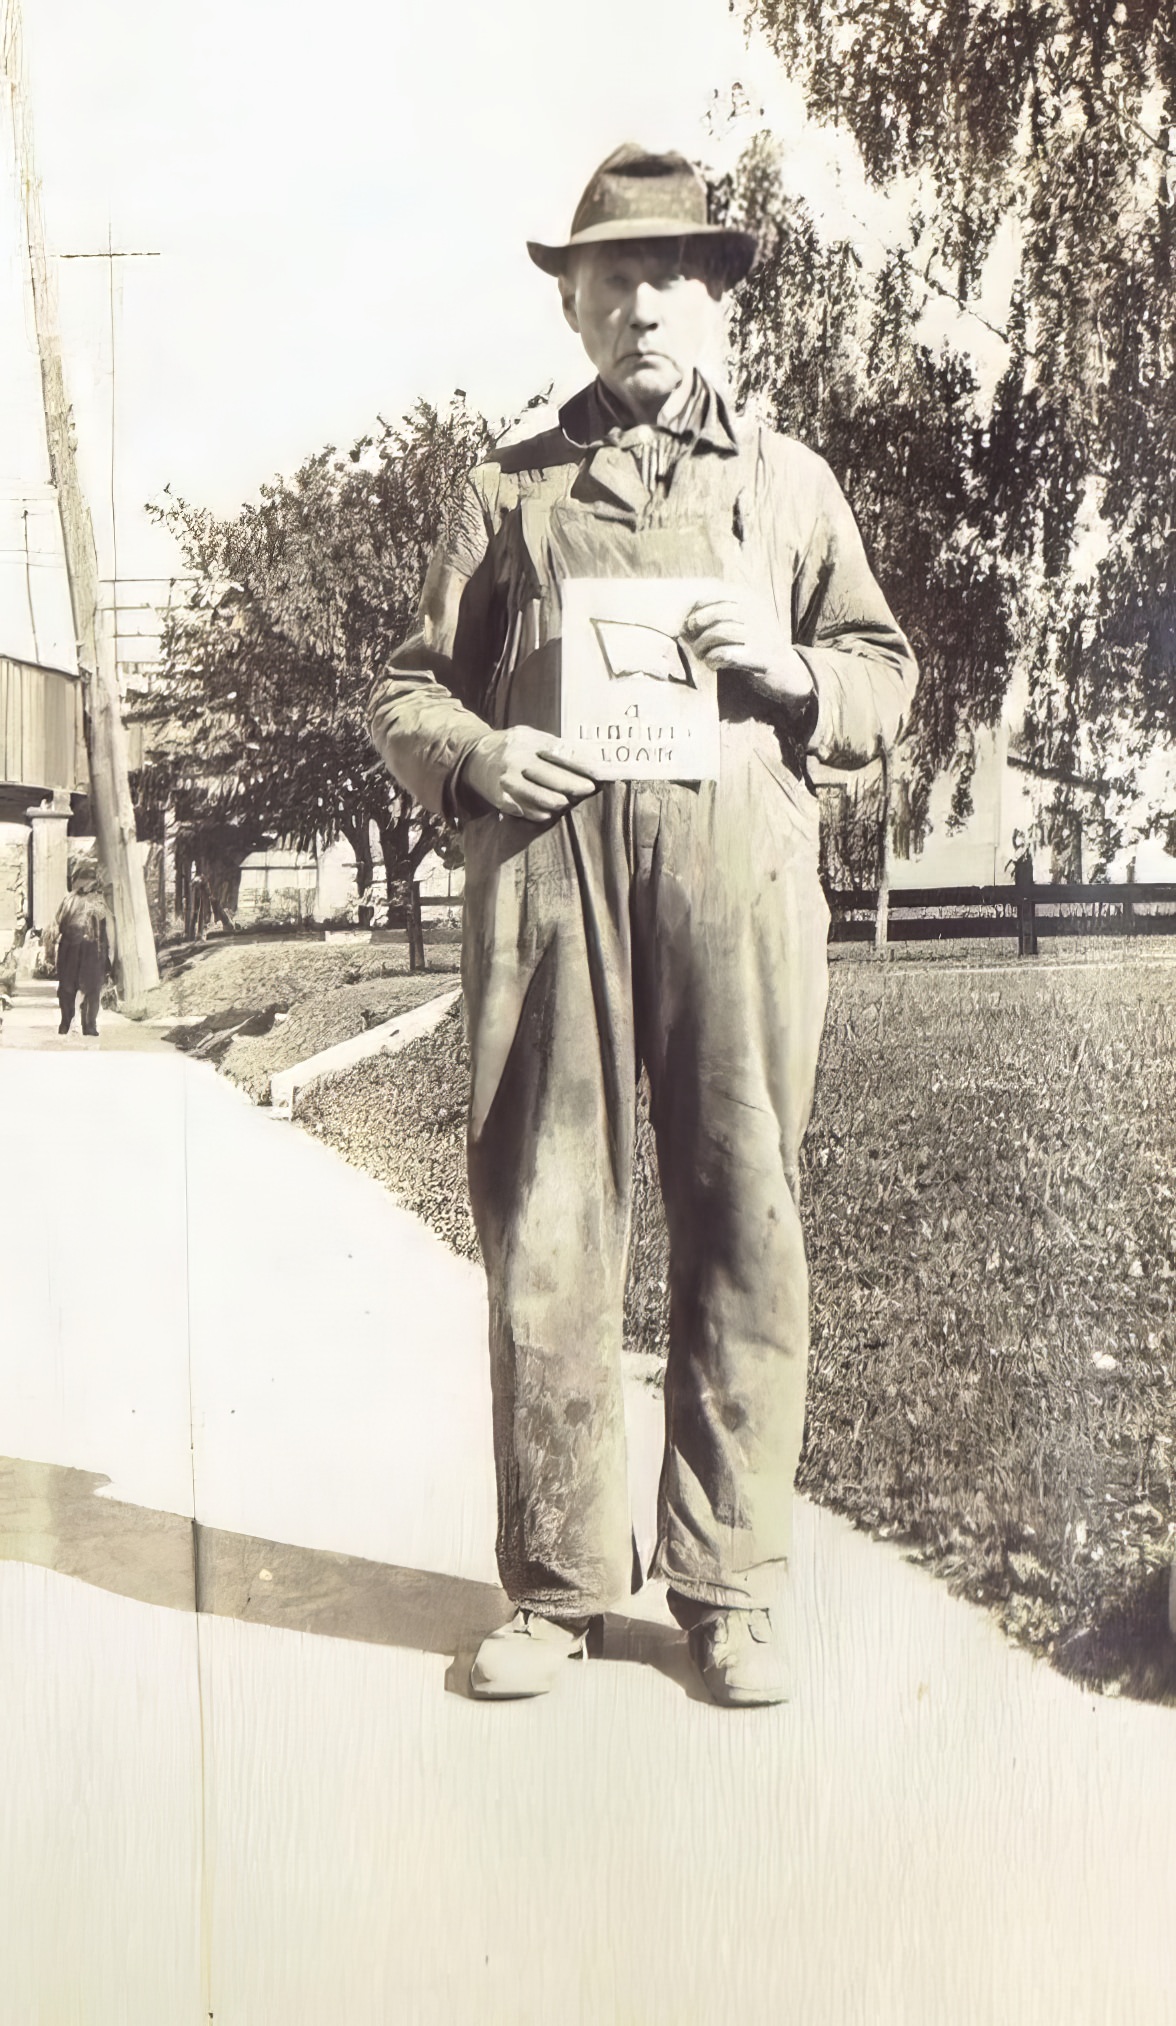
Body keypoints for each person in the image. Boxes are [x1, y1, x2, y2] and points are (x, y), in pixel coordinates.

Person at [368, 143, 918, 1705]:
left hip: (739, 897)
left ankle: (730, 1585)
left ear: (717, 297)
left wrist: (803, 673)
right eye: (611, 276)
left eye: (671, 273)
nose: (641, 302)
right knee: (549, 1222)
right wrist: (478, 752)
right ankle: (556, 1584)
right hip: (551, 897)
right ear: (575, 306)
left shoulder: (791, 484)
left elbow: (883, 672)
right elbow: (404, 686)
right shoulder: (508, 489)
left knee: (746, 1216)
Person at [52, 859, 109, 1039]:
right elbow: (59, 921)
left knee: (83, 988)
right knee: (76, 988)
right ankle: (75, 1023)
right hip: (77, 947)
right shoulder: (77, 899)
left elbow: (102, 922)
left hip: (81, 948)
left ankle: (80, 1024)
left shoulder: (90, 899)